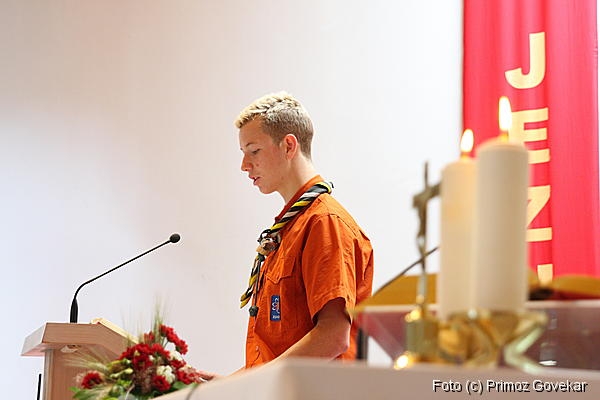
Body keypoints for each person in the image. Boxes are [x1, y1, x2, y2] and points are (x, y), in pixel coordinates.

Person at [234, 91, 374, 369]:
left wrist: (250, 381)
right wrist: (230, 384)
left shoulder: (324, 222)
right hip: (280, 387)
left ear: (288, 146)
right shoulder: (291, 227)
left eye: (254, 150)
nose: (244, 165)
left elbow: (333, 337)